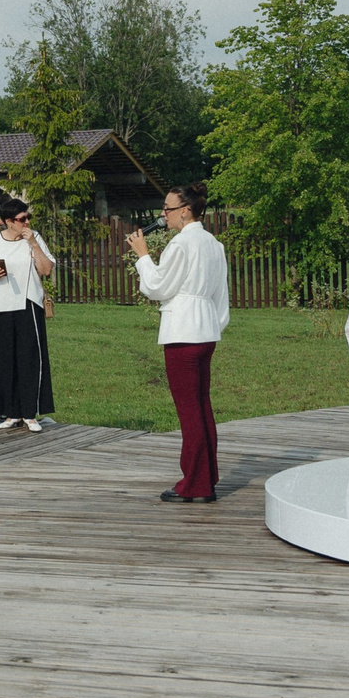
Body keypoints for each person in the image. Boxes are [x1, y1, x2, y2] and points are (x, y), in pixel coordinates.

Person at [127, 190, 231, 501]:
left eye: (168, 209)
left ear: (185, 211)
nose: (164, 214)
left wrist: (143, 256)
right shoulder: (213, 244)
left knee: (189, 411)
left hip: (182, 332)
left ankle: (195, 484)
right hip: (206, 330)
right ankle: (206, 478)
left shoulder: (182, 244)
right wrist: (214, 324)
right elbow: (220, 296)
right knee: (201, 406)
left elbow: (157, 286)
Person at [0, 198, 53, 430]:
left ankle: (29, 413)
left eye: (28, 218)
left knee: (28, 359)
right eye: (21, 220)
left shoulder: (34, 238)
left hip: (28, 305)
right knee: (4, 361)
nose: (26, 223)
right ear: (8, 222)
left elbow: (46, 269)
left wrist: (34, 245)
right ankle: (10, 413)